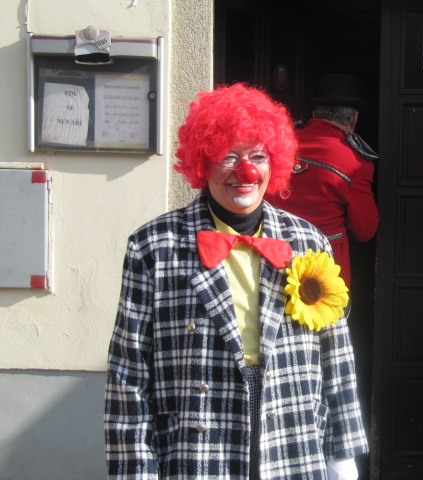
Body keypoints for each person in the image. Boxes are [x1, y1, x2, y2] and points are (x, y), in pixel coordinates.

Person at [104, 83, 368, 479]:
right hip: (199, 451)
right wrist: (136, 471)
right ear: (202, 162)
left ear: (274, 163)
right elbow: (128, 374)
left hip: (292, 444)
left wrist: (342, 456)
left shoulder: (307, 241)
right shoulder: (153, 247)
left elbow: (336, 355)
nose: (246, 172)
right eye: (228, 157)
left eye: (258, 156)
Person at [266, 73, 379, 288]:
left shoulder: (280, 144)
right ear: (354, 119)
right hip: (324, 267)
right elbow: (365, 231)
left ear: (314, 113)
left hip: (272, 257)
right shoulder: (356, 162)